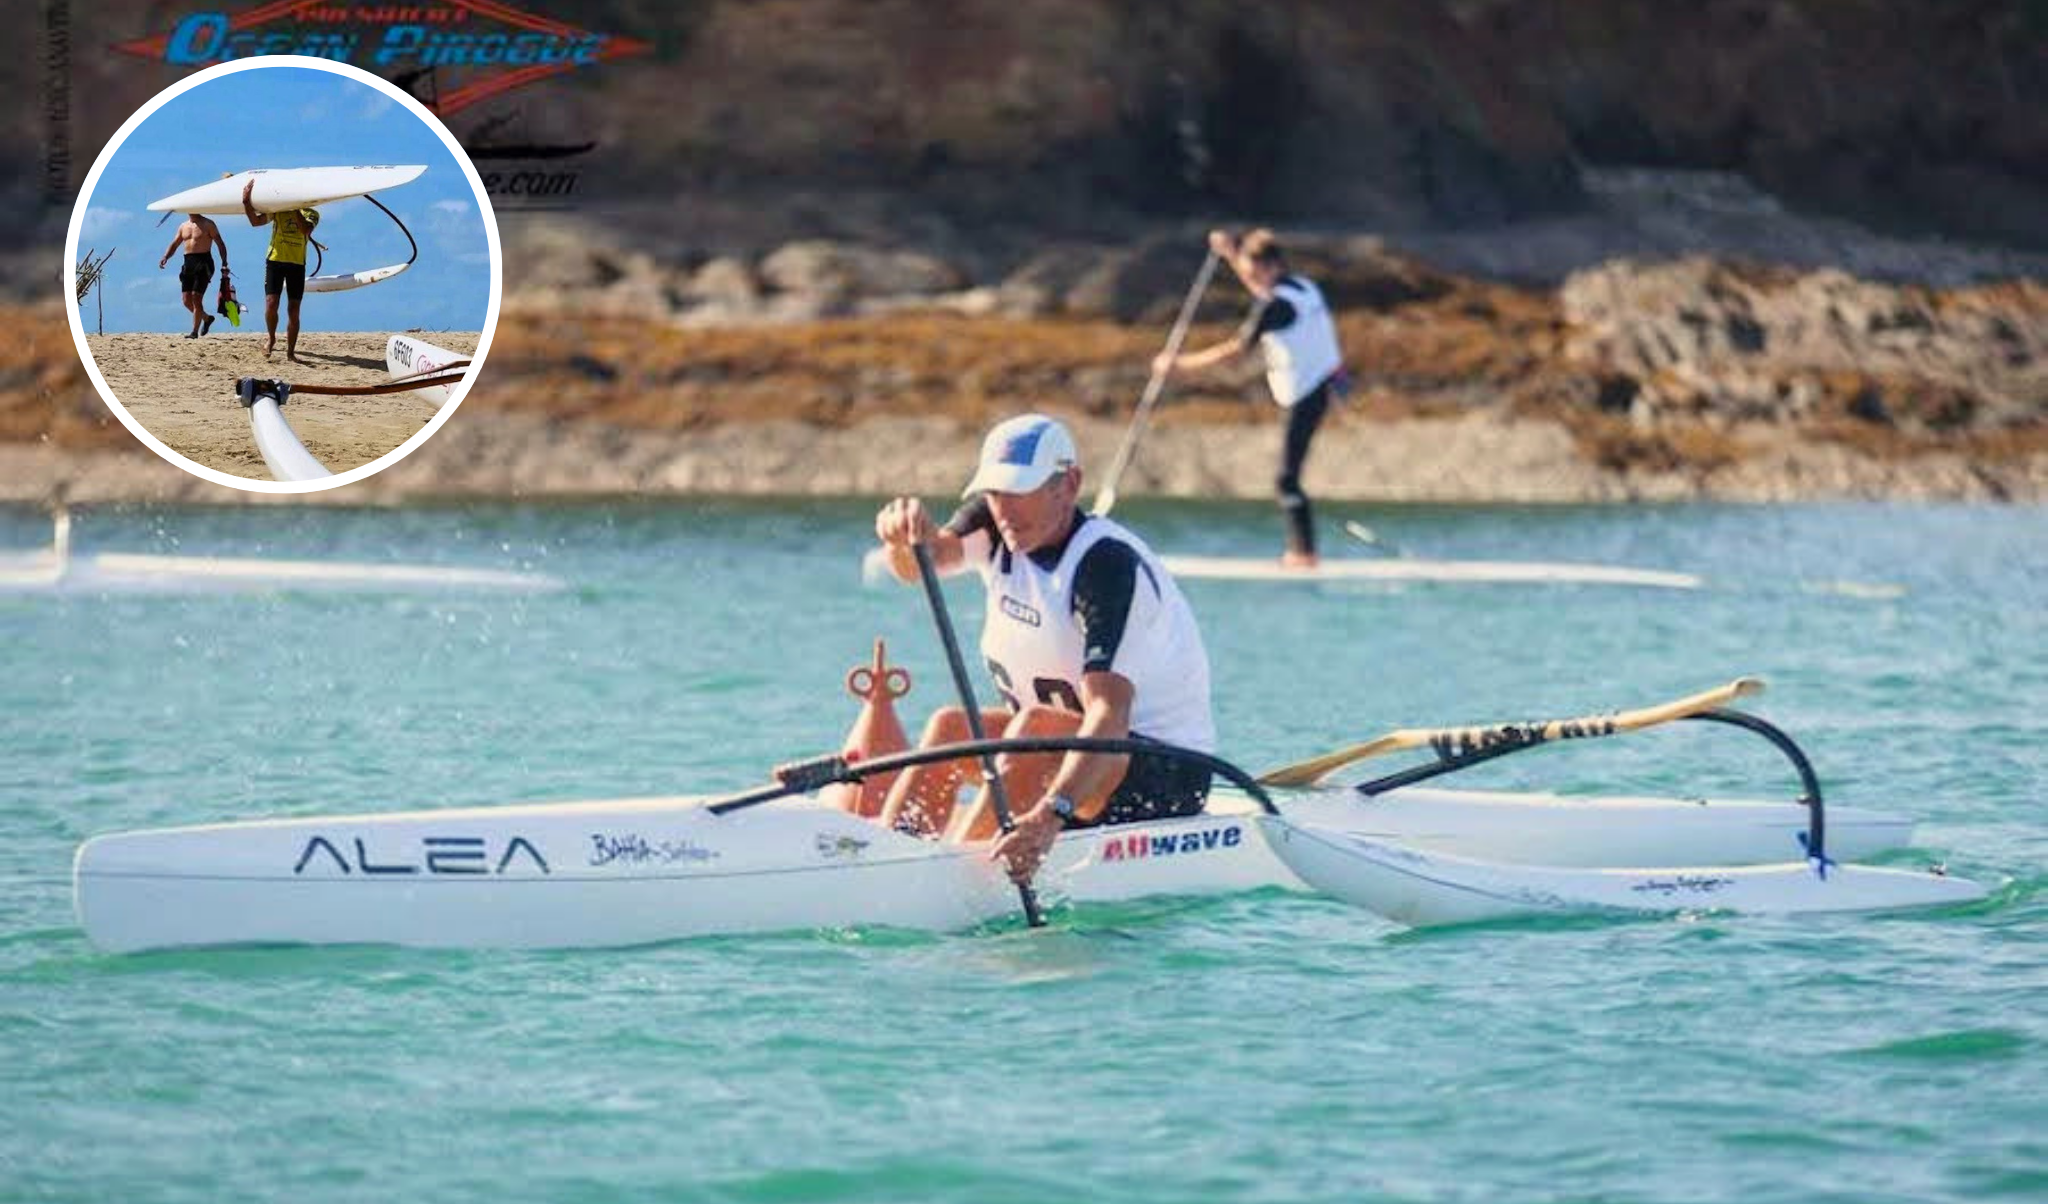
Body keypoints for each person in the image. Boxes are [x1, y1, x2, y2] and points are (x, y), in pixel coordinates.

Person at [870, 413, 1215, 885]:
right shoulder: (994, 526)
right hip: (1062, 752)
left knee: (1033, 731)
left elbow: (1108, 716)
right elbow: (923, 563)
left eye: (1019, 490)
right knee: (950, 728)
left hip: (1164, 775)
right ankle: (887, 859)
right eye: (994, 492)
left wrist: (1051, 815)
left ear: (1068, 484)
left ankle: (965, 880)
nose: (1005, 509)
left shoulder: (1105, 568)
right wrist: (900, 539)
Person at [1155, 228, 1345, 568]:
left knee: (1285, 478)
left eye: (1255, 271)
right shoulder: (1301, 286)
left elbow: (1235, 351)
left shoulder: (1276, 306)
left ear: (1272, 266)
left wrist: (1179, 366)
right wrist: (1230, 254)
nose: (1251, 278)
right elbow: (1258, 287)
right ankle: (1303, 550)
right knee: (1288, 475)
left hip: (1309, 390)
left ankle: (1303, 554)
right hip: (1322, 383)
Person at [241, 179, 324, 363]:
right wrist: (247, 203)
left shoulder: (312, 213)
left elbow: (304, 230)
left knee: (294, 310)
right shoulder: (278, 209)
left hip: (296, 264)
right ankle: (271, 338)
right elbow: (255, 221)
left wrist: (294, 208)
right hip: (275, 260)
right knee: (271, 304)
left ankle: (290, 352)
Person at [157, 212, 227, 339]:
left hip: (204, 262)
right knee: (186, 300)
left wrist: (224, 262)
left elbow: (220, 243)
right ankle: (206, 318)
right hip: (188, 263)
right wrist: (166, 256)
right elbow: (175, 243)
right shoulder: (183, 226)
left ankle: (194, 332)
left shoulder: (208, 224)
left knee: (196, 297)